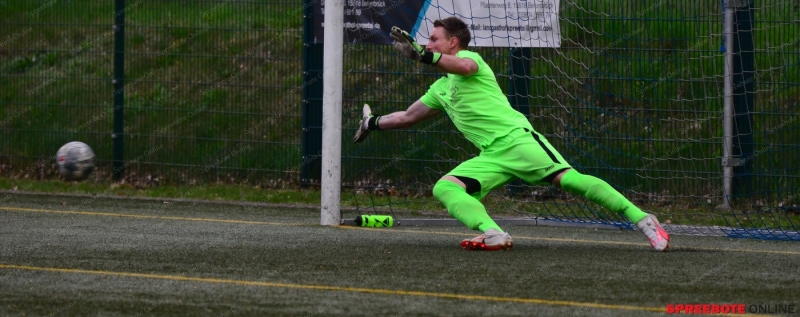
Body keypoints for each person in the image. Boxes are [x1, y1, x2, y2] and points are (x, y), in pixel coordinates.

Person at [353, 17, 670, 252]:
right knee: (446, 188)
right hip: (491, 156)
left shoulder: (471, 59)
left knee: (569, 181)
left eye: (435, 39)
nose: (429, 43)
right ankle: (494, 233)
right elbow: (408, 116)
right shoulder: (439, 88)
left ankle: (644, 220)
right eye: (428, 41)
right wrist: (372, 123)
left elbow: (463, 67)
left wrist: (423, 55)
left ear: (453, 42)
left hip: (517, 140)